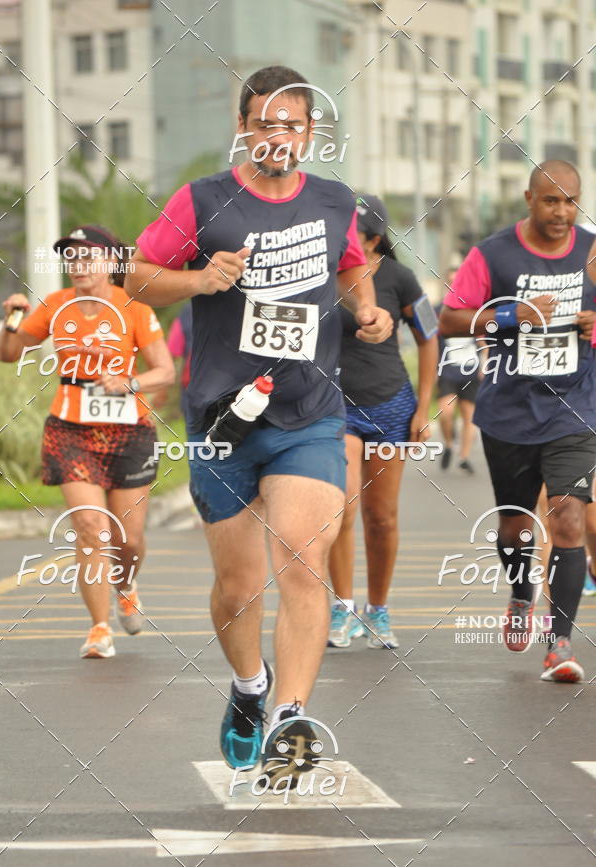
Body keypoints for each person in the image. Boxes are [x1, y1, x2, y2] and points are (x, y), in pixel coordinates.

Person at [125, 66, 393, 786]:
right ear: (245, 128)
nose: (278, 135)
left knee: (303, 563)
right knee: (238, 587)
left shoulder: (338, 202)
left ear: (311, 133)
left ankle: (288, 715)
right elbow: (138, 275)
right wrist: (199, 279)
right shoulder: (203, 200)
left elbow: (349, 268)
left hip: (309, 410)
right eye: (264, 122)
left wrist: (368, 310)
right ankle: (249, 687)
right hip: (222, 418)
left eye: (293, 124)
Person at [440, 160, 596, 682]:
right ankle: (520, 592)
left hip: (574, 407)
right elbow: (450, 318)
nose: (562, 212)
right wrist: (512, 314)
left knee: (568, 517)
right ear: (529, 199)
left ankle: (559, 643)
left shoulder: (591, 251)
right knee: (514, 527)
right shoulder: (494, 253)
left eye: (570, 201)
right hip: (508, 411)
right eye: (551, 201)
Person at [0, 225, 174, 658]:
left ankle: (127, 583)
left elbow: (165, 372)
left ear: (112, 262)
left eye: (87, 256)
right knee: (92, 528)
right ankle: (99, 627)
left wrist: (130, 382)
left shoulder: (133, 309)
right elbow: (9, 353)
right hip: (70, 431)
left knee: (128, 541)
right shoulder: (56, 305)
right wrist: (12, 320)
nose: (78, 265)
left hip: (129, 432)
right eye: (71, 257)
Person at [327, 193, 438, 650]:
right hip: (336, 407)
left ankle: (379, 611)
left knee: (382, 518)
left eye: (351, 231)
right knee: (344, 507)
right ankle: (342, 609)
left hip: (392, 407)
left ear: (372, 238)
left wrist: (424, 405)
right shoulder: (324, 277)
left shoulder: (401, 278)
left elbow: (429, 338)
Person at [437, 267, 481, 474]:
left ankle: (463, 457)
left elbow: (484, 338)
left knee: (469, 417)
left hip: (471, 370)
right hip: (447, 370)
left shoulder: (475, 309)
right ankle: (448, 444)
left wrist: (487, 362)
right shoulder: (438, 309)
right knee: (445, 413)